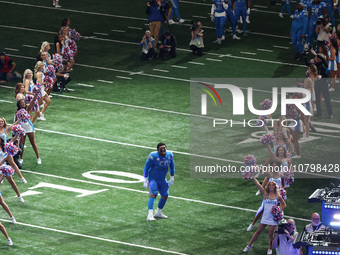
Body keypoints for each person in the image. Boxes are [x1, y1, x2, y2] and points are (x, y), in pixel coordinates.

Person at [243, 178, 286, 254]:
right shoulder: (265, 193)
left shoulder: (278, 196)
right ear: (268, 186)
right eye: (270, 185)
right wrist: (253, 177)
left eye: (273, 185)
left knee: (270, 234)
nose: (271, 186)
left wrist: (279, 210)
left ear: (275, 186)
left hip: (273, 218)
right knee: (258, 231)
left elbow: (284, 204)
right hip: (265, 217)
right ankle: (249, 245)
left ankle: (269, 248)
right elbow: (258, 184)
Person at [143, 143, 175, 221]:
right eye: (161, 148)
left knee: (165, 195)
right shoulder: (153, 156)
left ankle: (158, 212)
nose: (163, 149)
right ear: (158, 150)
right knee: (153, 194)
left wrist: (172, 177)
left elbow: (172, 166)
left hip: (162, 179)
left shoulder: (169, 155)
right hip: (153, 179)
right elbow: (146, 168)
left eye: (164, 148)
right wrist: (145, 179)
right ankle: (150, 215)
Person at [305, 49, 334, 118]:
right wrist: (304, 57)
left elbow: (323, 60)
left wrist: (316, 54)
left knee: (327, 98)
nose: (316, 59)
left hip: (324, 83)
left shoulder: (325, 63)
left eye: (318, 58)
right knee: (317, 98)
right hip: (317, 83)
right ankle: (319, 113)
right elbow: (308, 64)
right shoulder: (317, 64)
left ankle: (330, 114)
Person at [16, 96, 41, 165]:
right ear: (19, 104)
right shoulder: (17, 112)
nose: (23, 104)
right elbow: (16, 121)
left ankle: (38, 158)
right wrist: (17, 129)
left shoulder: (27, 108)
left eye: (24, 102)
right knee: (22, 144)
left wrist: (36, 95)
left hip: (29, 127)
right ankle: (21, 158)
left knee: (33, 143)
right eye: (21, 103)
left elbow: (32, 102)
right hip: (22, 128)